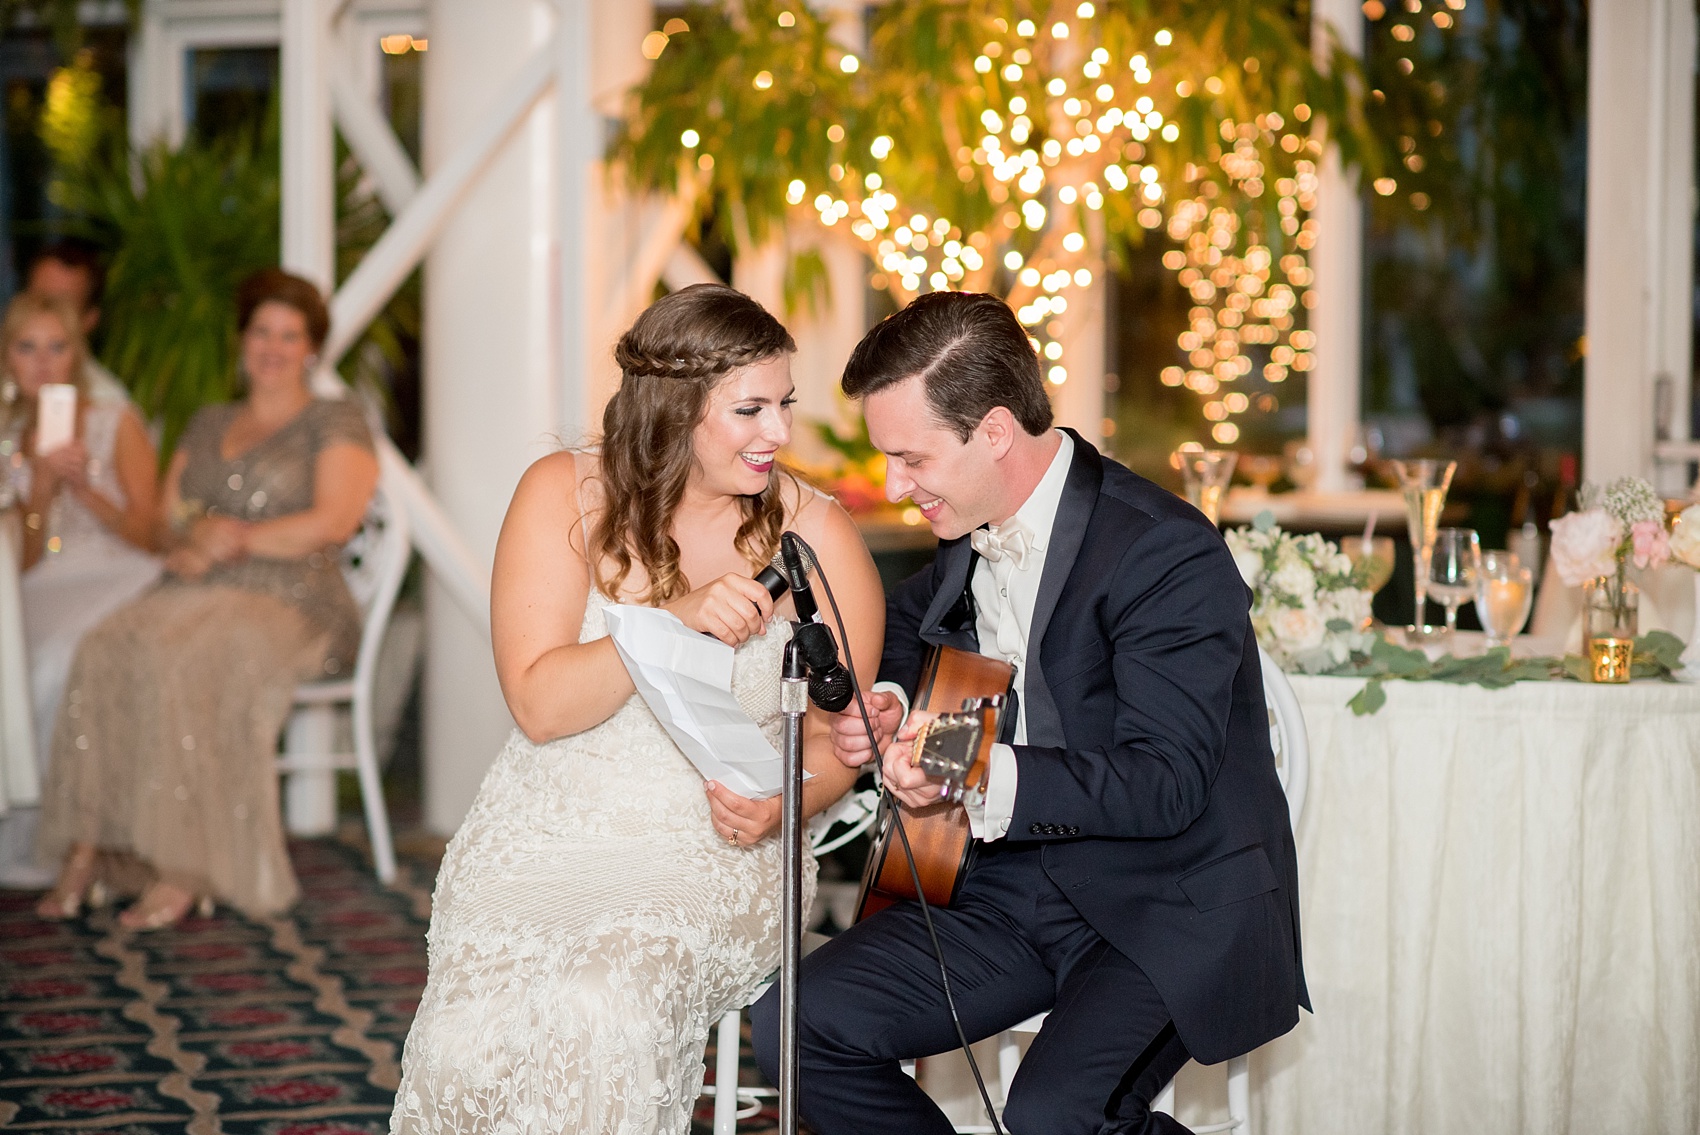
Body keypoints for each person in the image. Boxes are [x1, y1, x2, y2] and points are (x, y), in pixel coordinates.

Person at [751, 291, 1307, 1135]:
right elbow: (902, 629)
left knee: (1053, 1116)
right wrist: (893, 701)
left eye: (913, 458)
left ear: (996, 431)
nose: (897, 487)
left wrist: (971, 763)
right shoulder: (967, 529)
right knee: (798, 1022)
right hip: (1009, 891)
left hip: (1163, 899)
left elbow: (1167, 781)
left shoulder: (1166, 550)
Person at [391, 283, 884, 1135]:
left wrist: (781, 805)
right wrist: (670, 624)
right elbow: (540, 705)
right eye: (751, 409)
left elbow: (846, 738)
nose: (780, 434)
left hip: (718, 847)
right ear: (675, 409)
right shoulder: (563, 492)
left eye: (785, 405)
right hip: (547, 825)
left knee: (601, 1002)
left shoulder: (817, 537)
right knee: (461, 1045)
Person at [33, 268, 379, 929]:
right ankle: (92, 848)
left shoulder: (335, 417)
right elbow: (165, 519)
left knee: (191, 657)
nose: (273, 346)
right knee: (105, 645)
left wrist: (238, 538)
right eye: (261, 330)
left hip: (297, 594)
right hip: (199, 582)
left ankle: (185, 864)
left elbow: (335, 519)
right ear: (242, 339)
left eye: (290, 334)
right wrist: (191, 539)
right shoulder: (209, 420)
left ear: (311, 348)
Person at [0, 293, 160, 887]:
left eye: (56, 347)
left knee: (53, 661)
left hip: (114, 568)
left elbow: (151, 533)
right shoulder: (6, 433)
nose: (42, 363)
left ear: (76, 355)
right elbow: (24, 556)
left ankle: (54, 839)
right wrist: (40, 487)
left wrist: (85, 487)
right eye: (27, 347)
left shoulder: (115, 421)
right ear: (9, 358)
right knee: (13, 657)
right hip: (40, 578)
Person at [25, 238, 129, 404]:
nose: (46, 318)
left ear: (90, 320)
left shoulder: (105, 402)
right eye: (39, 300)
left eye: (63, 307)